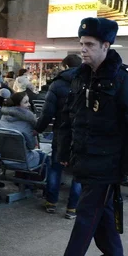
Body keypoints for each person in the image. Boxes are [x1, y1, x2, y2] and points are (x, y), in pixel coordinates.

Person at [45, 17, 128, 256]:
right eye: (81, 44)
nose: (83, 49)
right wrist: (64, 150)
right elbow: (70, 117)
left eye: (89, 44)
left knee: (86, 212)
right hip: (84, 156)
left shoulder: (126, 78)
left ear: (106, 45)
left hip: (109, 161)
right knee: (101, 210)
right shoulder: (79, 77)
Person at [35, 54, 83, 219]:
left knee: (56, 167)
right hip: (83, 133)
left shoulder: (57, 84)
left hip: (62, 132)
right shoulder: (90, 81)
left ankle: (51, 203)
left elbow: (47, 112)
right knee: (78, 170)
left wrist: (38, 129)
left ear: (65, 66)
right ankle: (72, 209)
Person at [0, 92, 47, 170]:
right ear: (17, 105)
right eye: (25, 102)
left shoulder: (3, 118)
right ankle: (48, 181)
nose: (29, 104)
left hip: (4, 160)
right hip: (23, 162)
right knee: (45, 157)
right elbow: (32, 146)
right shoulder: (26, 123)